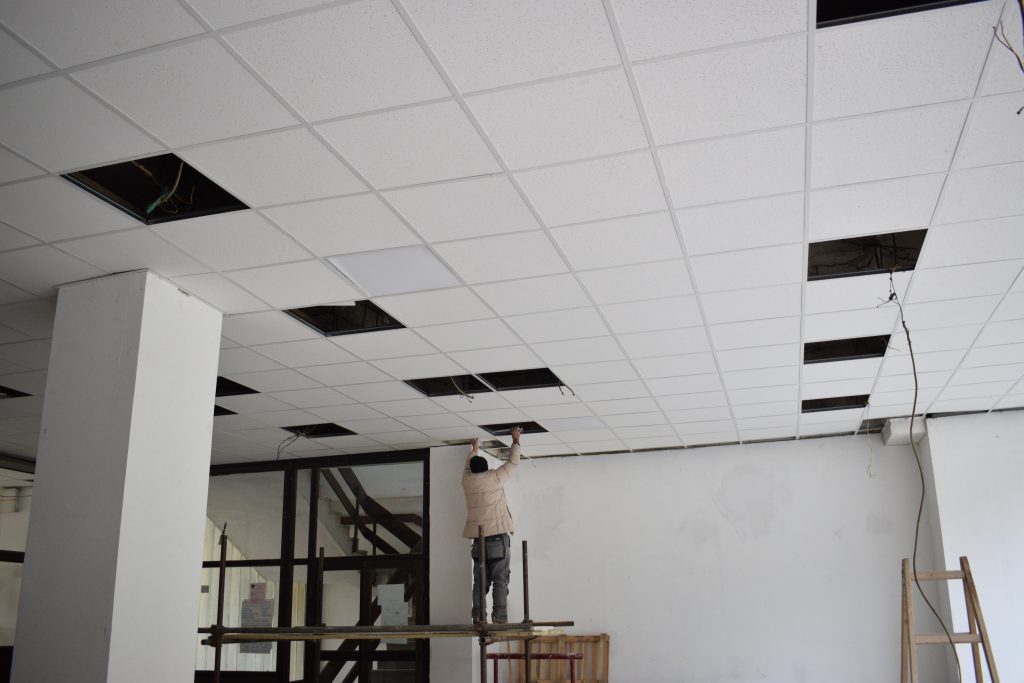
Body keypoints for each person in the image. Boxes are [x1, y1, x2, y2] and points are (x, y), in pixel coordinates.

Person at [461, 426, 522, 624]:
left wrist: (474, 450)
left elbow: (467, 468)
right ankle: (499, 618)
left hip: (478, 541)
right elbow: (513, 462)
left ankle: (479, 617)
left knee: (479, 582)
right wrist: (515, 440)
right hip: (497, 538)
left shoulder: (467, 481)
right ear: (487, 468)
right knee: (500, 580)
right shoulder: (494, 477)